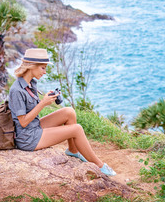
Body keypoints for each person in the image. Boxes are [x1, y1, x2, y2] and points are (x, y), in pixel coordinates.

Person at [8, 48, 116, 176]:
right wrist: (43, 103)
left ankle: (73, 150)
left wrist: (47, 98)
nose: (45, 72)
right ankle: (99, 165)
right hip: (27, 138)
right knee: (76, 129)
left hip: (34, 127)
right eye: (43, 68)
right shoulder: (17, 90)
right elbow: (24, 122)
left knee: (69, 112)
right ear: (32, 66)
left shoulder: (31, 83)